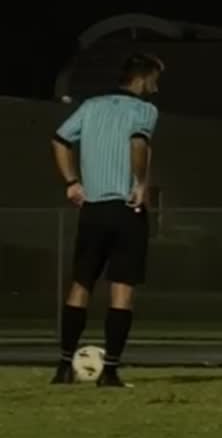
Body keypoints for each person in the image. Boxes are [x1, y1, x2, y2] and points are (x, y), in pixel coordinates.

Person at [49, 51, 163, 387]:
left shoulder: (90, 107)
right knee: (122, 288)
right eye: (155, 80)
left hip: (93, 210)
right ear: (141, 78)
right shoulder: (144, 110)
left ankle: (63, 367)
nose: (156, 88)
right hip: (127, 208)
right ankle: (109, 371)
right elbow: (138, 143)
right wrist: (140, 184)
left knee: (81, 283)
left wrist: (72, 183)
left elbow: (59, 140)